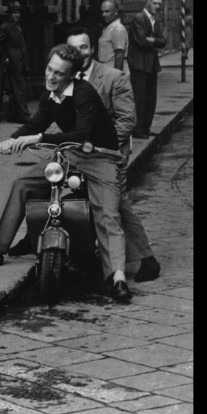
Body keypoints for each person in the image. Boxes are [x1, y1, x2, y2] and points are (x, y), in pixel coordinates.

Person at [0, 44, 133, 303]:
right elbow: (36, 122)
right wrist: (12, 139)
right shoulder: (50, 95)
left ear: (71, 76)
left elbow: (81, 134)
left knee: (108, 213)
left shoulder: (84, 94)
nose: (51, 76)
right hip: (69, 156)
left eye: (59, 74)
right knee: (22, 184)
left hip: (100, 157)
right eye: (50, 69)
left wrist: (35, 138)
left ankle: (117, 277)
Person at [65, 29, 160, 282]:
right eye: (74, 49)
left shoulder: (112, 76)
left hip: (110, 151)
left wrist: (97, 146)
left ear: (92, 49)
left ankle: (147, 260)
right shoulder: (66, 78)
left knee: (116, 202)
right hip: (80, 151)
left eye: (84, 47)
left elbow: (127, 120)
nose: (80, 54)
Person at [126, 0, 167, 139]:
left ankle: (145, 127)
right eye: (155, 3)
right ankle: (138, 130)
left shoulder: (156, 20)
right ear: (148, 3)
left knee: (151, 98)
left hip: (151, 64)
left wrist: (153, 40)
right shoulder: (139, 18)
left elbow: (163, 42)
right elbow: (142, 42)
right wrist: (155, 41)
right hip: (139, 64)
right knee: (139, 98)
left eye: (159, 4)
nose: (157, 6)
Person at [0, 1, 32, 123]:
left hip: (21, 61)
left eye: (18, 12)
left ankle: (13, 115)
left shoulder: (17, 26)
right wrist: (5, 56)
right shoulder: (6, 26)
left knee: (17, 89)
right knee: (19, 89)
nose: (17, 15)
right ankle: (23, 115)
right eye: (14, 12)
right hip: (13, 62)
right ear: (9, 14)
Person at [97, 0, 129, 73]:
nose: (103, 14)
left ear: (116, 12)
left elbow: (119, 55)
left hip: (112, 69)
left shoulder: (118, 29)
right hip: (106, 68)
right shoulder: (108, 27)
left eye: (107, 11)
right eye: (102, 12)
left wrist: (116, 77)